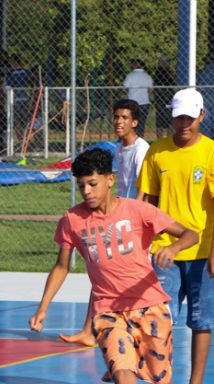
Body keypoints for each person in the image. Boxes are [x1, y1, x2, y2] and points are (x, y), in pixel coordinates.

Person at [29, 148, 199, 384]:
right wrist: (43, 306)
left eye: (93, 183)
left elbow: (190, 234)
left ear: (110, 180)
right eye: (81, 186)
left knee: (160, 379)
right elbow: (62, 266)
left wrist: (173, 248)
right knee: (123, 378)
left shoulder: (137, 211)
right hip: (107, 313)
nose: (87, 191)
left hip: (149, 306)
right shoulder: (72, 221)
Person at [138, 88, 214, 384]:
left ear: (201, 116)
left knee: (201, 321)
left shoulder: (213, 154)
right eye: (179, 116)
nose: (184, 123)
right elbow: (147, 202)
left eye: (190, 118)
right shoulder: (157, 153)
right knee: (160, 321)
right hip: (165, 249)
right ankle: (160, 382)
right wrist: (142, 244)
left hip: (203, 253)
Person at [60, 99, 149, 347]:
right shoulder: (119, 150)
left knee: (130, 282)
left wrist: (133, 221)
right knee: (101, 275)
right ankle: (90, 331)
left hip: (129, 223)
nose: (119, 122)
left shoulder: (141, 150)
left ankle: (135, 337)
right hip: (115, 220)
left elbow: (144, 189)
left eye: (124, 118)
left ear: (135, 122)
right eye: (116, 117)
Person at [196, 54, 214, 140]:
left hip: (204, 98)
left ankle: (207, 140)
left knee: (205, 122)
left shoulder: (201, 72)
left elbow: (199, 85)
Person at [123, 59, 153, 138]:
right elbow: (150, 90)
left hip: (132, 101)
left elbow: (124, 88)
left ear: (134, 65)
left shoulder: (130, 75)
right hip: (144, 102)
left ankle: (131, 138)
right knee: (141, 123)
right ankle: (140, 138)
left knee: (131, 122)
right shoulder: (147, 76)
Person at [153, 56, 176, 139]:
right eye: (163, 61)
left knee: (169, 120)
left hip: (168, 97)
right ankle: (161, 140)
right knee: (160, 121)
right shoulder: (159, 71)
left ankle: (170, 139)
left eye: (166, 61)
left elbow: (172, 83)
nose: (165, 63)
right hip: (161, 98)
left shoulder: (169, 71)